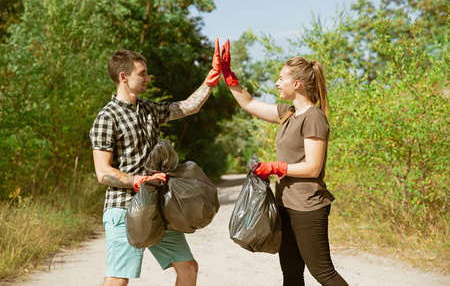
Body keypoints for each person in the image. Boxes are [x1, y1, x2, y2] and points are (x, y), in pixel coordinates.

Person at [89, 39, 221, 286]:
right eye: (142, 73)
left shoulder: (149, 109)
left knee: (188, 269)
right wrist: (140, 181)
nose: (148, 78)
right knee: (118, 279)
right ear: (124, 76)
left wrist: (212, 77)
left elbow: (188, 107)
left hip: (158, 208)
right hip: (124, 208)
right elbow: (103, 172)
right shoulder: (106, 118)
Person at [221, 39, 348, 286]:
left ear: (297, 84)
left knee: (323, 273)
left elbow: (313, 168)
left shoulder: (314, 118)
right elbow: (249, 103)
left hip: (308, 207)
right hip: (286, 206)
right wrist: (229, 78)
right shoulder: (288, 113)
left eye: (281, 78)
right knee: (291, 274)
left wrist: (276, 166)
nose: (277, 83)